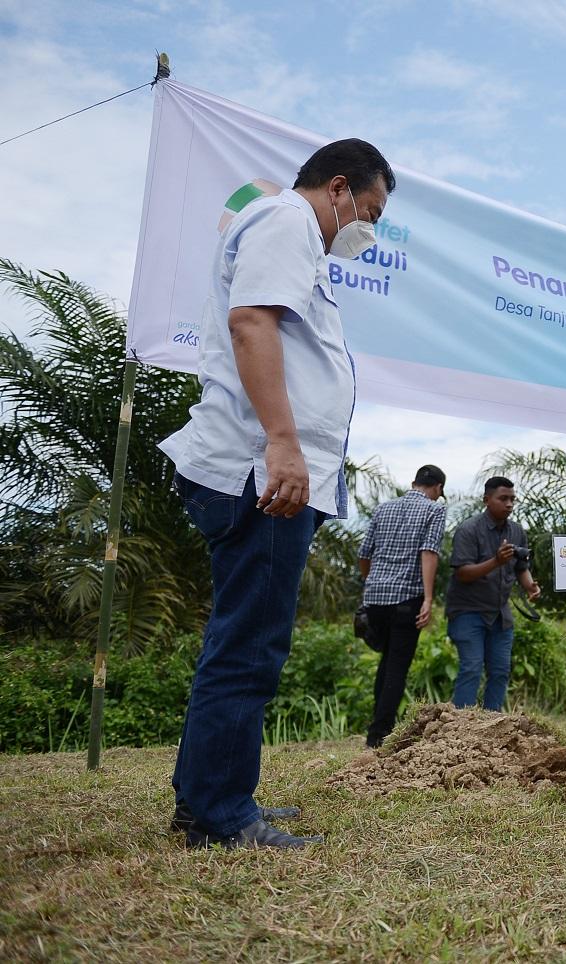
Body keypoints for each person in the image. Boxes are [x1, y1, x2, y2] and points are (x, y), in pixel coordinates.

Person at [159, 138, 395, 849]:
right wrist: (282, 444)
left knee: (244, 638)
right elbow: (251, 323)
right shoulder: (286, 221)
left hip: (267, 470)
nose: (369, 229)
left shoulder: (293, 235)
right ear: (338, 187)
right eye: (371, 211)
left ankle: (208, 795)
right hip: (257, 472)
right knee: (251, 646)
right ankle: (220, 816)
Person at [358, 465, 447, 748]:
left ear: (413, 483)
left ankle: (377, 729)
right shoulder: (435, 509)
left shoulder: (384, 508)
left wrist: (372, 582)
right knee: (397, 667)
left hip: (376, 598)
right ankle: (379, 736)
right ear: (439, 488)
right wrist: (429, 598)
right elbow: (429, 552)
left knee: (386, 663)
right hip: (407, 599)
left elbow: (364, 553)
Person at [446, 476, 541, 711]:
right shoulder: (468, 530)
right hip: (468, 612)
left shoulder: (517, 531)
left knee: (500, 670)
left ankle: (492, 725)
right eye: (503, 498)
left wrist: (530, 586)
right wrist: (496, 561)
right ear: (487, 500)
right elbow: (463, 573)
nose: (509, 504)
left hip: (500, 614)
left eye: (512, 499)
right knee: (471, 667)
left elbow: (521, 567)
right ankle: (460, 730)